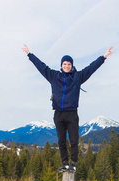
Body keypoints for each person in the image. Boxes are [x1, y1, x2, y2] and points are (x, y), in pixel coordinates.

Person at [22, 44, 113, 173]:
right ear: (61, 65)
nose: (66, 66)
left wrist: (103, 57)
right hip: (58, 114)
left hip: (71, 114)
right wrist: (29, 54)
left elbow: (91, 68)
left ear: (72, 65)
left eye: (69, 64)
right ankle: (64, 163)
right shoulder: (54, 76)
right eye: (64, 64)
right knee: (61, 141)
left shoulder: (77, 77)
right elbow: (41, 66)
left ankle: (73, 164)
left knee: (74, 141)